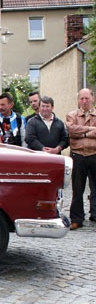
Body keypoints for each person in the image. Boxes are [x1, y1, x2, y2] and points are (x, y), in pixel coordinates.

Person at [65, 88, 96, 230]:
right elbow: (72, 131)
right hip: (78, 155)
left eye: (87, 98)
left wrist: (81, 132)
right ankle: (76, 218)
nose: (84, 101)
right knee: (77, 190)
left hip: (94, 154)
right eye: (81, 98)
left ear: (92, 98)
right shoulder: (72, 115)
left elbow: (77, 131)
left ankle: (95, 214)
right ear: (78, 100)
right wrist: (89, 131)